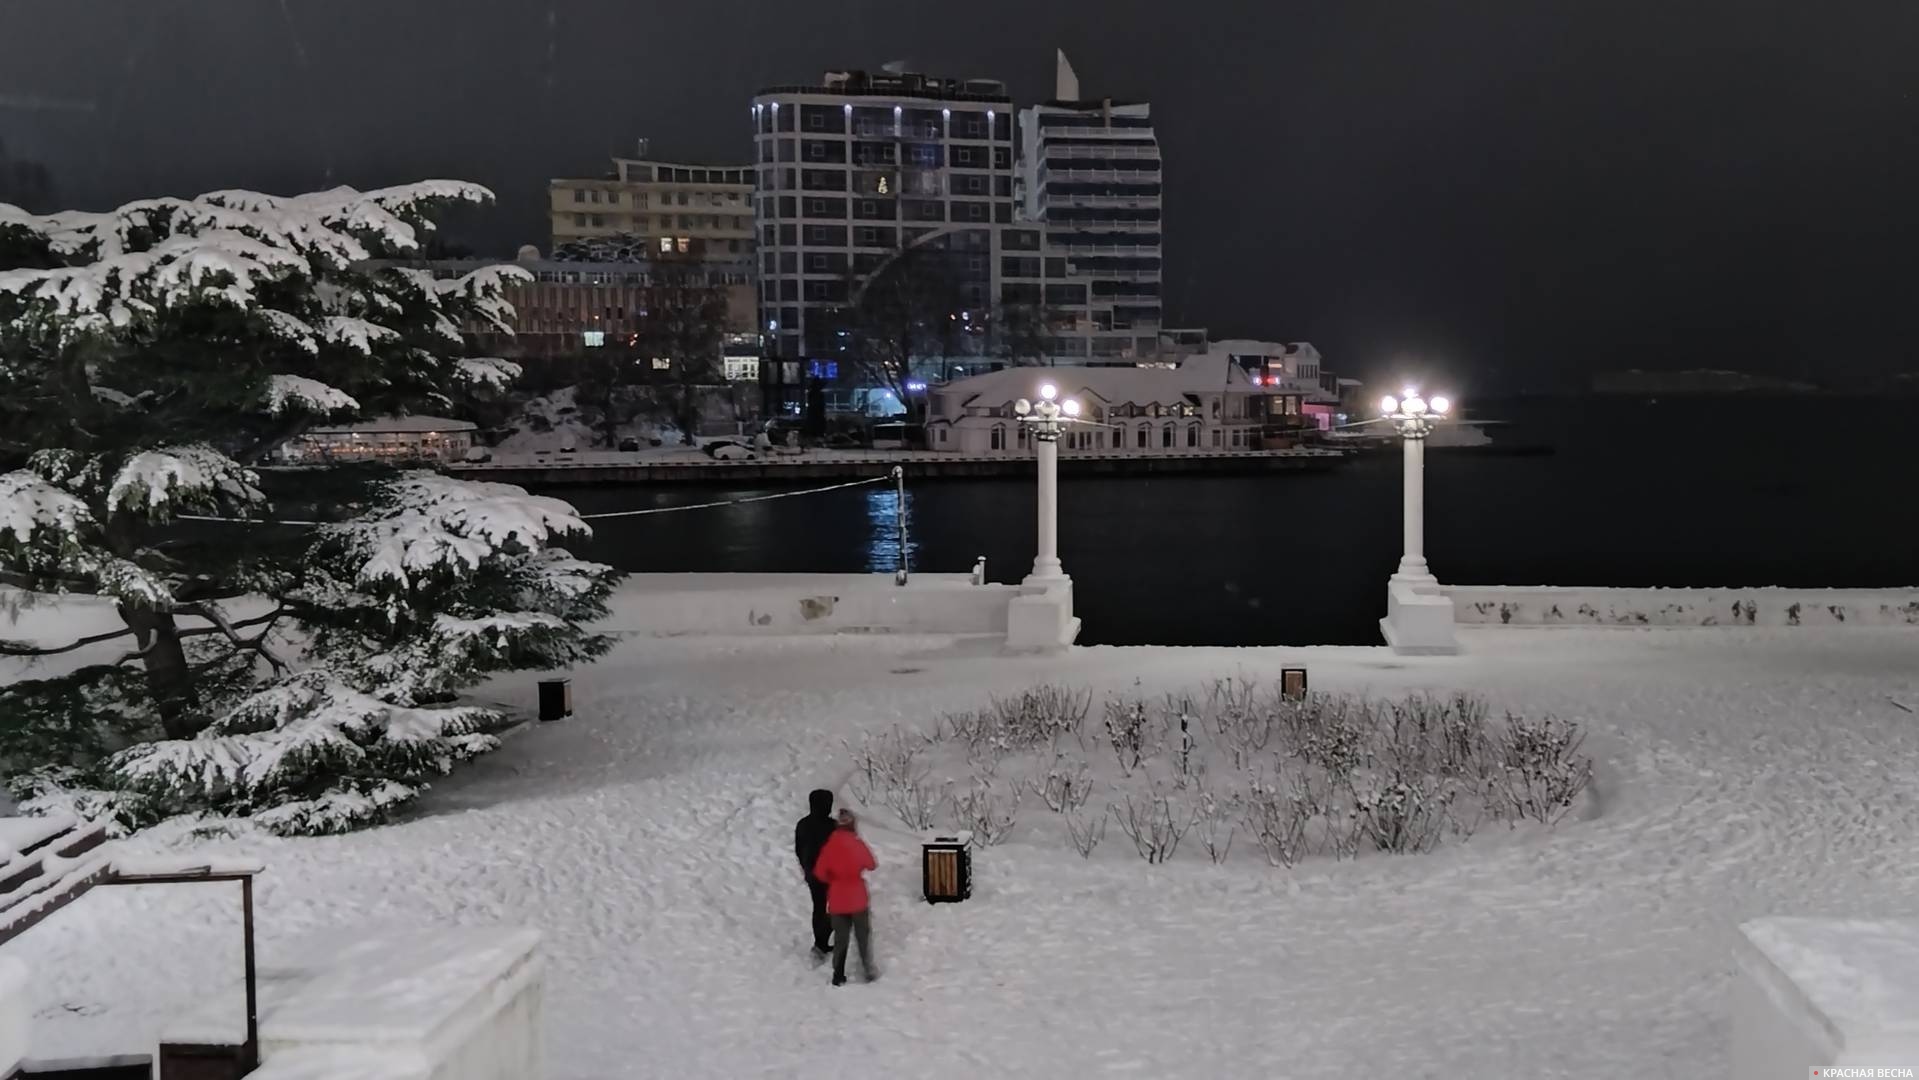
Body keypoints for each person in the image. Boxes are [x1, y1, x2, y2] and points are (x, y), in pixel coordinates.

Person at [811, 808, 878, 986]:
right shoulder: (857, 844)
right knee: (862, 935)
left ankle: (838, 974)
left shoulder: (829, 846)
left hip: (837, 897)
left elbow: (819, 872)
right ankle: (868, 969)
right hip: (857, 896)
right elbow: (872, 864)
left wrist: (832, 879)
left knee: (841, 938)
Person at [794, 789, 838, 959]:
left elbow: (799, 849)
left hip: (812, 873)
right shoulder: (833, 827)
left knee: (818, 907)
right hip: (832, 874)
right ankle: (825, 938)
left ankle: (820, 943)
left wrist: (806, 867)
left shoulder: (802, 824)